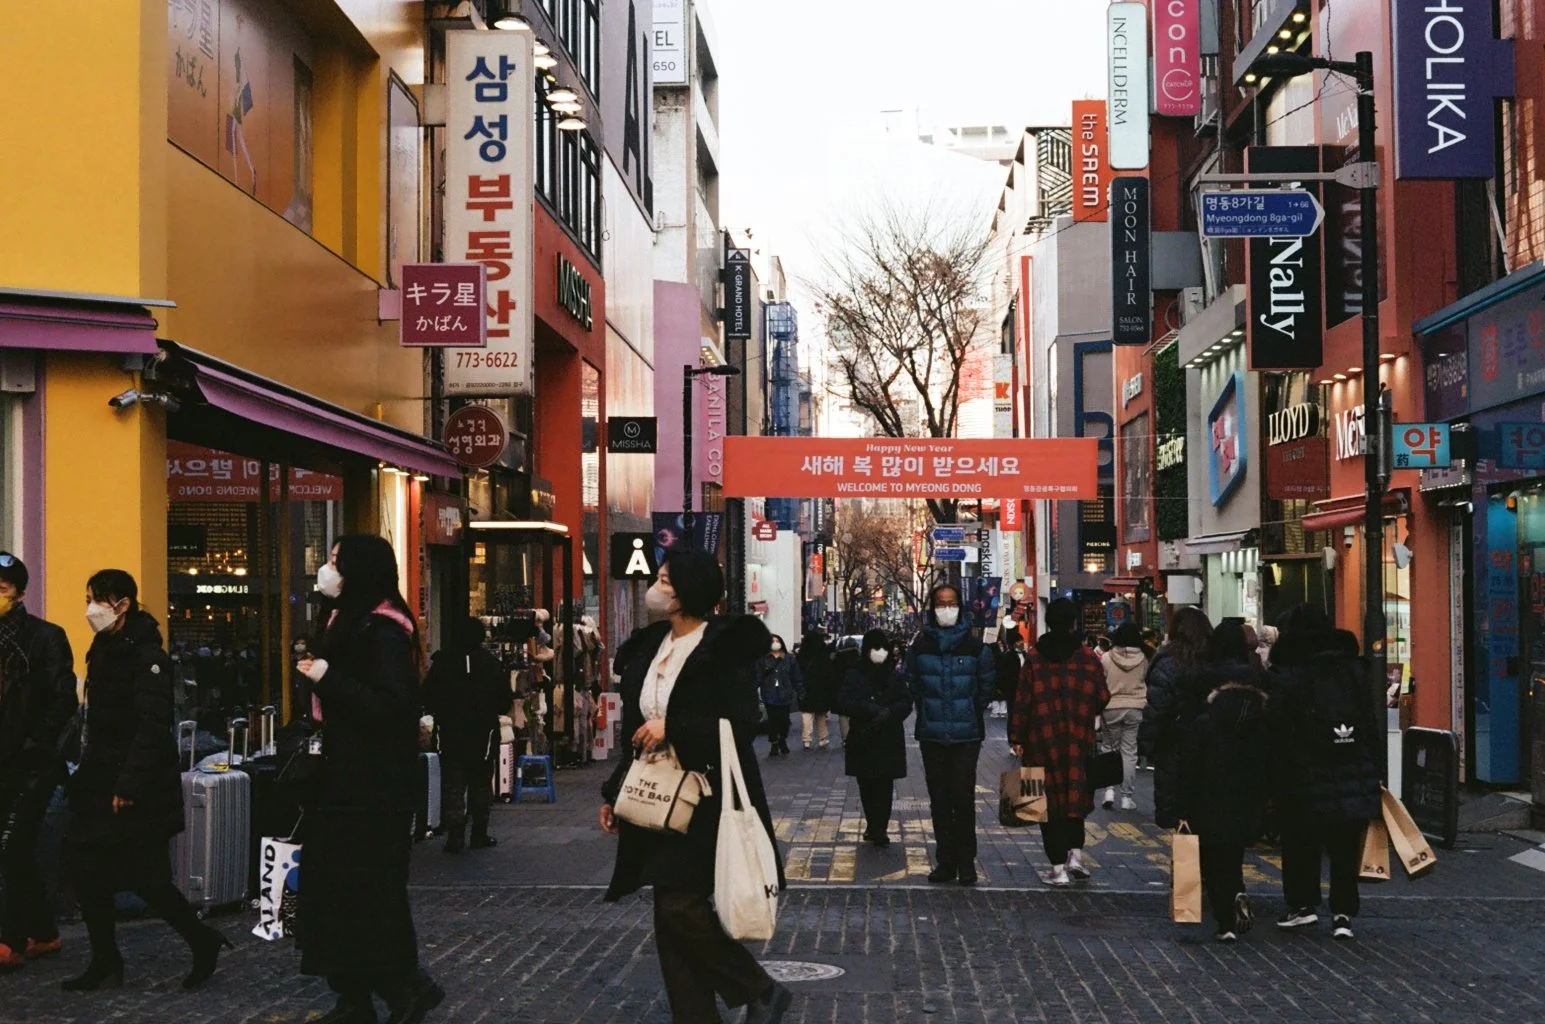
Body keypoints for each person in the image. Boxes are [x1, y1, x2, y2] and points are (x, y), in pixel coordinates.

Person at [600, 550, 792, 1024]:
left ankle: (759, 988)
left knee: (677, 901)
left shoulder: (721, 649)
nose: (656, 587)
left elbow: (744, 721)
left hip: (707, 797)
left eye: (665, 580)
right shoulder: (652, 645)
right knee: (669, 913)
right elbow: (637, 731)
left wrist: (675, 727)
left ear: (688, 591)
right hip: (656, 795)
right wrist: (613, 793)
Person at [295, 535, 444, 1024]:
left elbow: (391, 705)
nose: (327, 569)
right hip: (342, 781)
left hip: (371, 786)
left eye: (337, 562)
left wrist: (325, 676)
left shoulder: (381, 631)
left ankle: (407, 988)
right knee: (339, 891)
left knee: (370, 892)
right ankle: (353, 996)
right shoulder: (345, 619)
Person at [62, 569, 230, 992]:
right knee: (87, 873)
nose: (90, 609)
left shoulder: (147, 654)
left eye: (96, 600)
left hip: (136, 786)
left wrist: (128, 785)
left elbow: (151, 725)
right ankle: (105, 959)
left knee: (148, 879)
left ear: (121, 603)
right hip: (100, 778)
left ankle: (202, 941)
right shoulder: (106, 646)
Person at [1267, 604, 1381, 941]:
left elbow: (1278, 724)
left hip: (1303, 769)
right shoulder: (1353, 668)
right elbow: (1369, 721)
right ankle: (1343, 913)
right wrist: (1373, 767)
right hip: (1352, 765)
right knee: (1345, 843)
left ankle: (1303, 906)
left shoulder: (1290, 670)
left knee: (1302, 840)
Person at [0, 553, 75, 970]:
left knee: (10, 848)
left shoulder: (45, 638)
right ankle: (43, 933)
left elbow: (62, 698)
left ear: (20, 593)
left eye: (2, 588)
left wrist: (36, 744)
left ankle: (9, 939)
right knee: (20, 852)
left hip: (30, 764)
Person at [1177, 620, 1272, 942]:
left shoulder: (1202, 678)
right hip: (1249, 777)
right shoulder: (1256, 679)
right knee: (1233, 848)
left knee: (1213, 852)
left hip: (1210, 776)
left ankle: (1225, 918)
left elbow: (1188, 729)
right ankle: (1236, 891)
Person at [1011, 599, 1110, 886]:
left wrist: (1017, 737)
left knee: (1048, 804)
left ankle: (1057, 868)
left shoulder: (1035, 657)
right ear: (1073, 623)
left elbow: (1023, 701)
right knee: (1075, 798)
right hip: (1079, 740)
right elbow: (1102, 698)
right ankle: (1076, 855)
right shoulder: (1088, 657)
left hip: (1041, 741)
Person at [904, 584, 996, 885]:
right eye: (941, 603)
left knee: (963, 797)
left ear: (961, 606)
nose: (946, 608)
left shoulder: (975, 646)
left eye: (952, 602)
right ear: (933, 607)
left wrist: (968, 709)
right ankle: (945, 861)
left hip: (966, 734)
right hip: (932, 733)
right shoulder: (920, 646)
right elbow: (913, 684)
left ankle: (966, 862)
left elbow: (986, 688)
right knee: (939, 800)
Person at [421, 617, 509, 854]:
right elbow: (504, 700)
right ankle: (479, 834)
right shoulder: (490, 663)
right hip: (484, 733)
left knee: (453, 784)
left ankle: (455, 836)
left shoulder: (442, 662)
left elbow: (428, 696)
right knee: (481, 783)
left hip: (450, 731)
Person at [1138, 607, 1215, 830]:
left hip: (1175, 748)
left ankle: (1188, 864)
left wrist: (1147, 745)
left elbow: (1157, 710)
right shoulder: (1214, 660)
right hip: (1213, 750)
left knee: (1181, 819)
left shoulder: (1167, 664)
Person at [835, 630, 912, 848]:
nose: (879, 653)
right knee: (867, 784)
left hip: (888, 736)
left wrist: (889, 712)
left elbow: (906, 702)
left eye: (883, 648)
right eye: (875, 648)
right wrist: (867, 709)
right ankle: (872, 823)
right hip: (863, 736)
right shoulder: (854, 674)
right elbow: (843, 701)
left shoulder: (894, 675)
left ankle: (880, 828)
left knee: (884, 785)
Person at [1098, 622, 1149, 811]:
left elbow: (1101, 682)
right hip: (1135, 707)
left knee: (1109, 749)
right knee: (1129, 751)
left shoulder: (1106, 658)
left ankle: (1108, 791)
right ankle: (1127, 797)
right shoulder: (1143, 658)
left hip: (1111, 706)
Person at [754, 634, 803, 757]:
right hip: (769, 693)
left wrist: (800, 691)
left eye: (777, 641)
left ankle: (782, 738)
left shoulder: (789, 659)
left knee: (784, 719)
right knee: (772, 720)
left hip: (785, 693)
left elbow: (796, 677)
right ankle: (774, 743)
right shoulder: (763, 659)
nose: (775, 643)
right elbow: (757, 677)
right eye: (772, 641)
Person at [795, 629, 837, 749]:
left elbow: (797, 672)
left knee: (807, 714)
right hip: (821, 689)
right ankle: (822, 738)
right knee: (820, 715)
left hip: (806, 688)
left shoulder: (802, 655)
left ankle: (806, 739)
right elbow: (829, 673)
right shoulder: (823, 655)